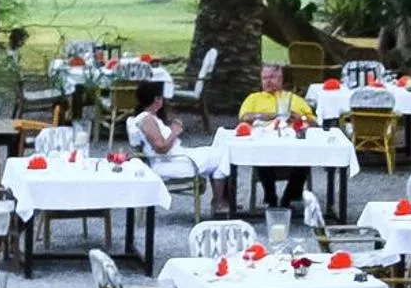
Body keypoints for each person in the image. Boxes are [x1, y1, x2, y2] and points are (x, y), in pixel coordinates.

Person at [128, 83, 232, 214]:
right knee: (222, 156)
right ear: (157, 99)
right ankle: (219, 202)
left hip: (174, 157)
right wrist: (174, 132)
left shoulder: (150, 117)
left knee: (220, 153)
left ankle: (220, 201)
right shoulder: (146, 119)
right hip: (170, 162)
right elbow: (161, 147)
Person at [235, 64, 315, 207]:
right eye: (264, 78)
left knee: (306, 154)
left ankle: (288, 197)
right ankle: (270, 196)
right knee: (261, 154)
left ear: (281, 78)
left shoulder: (293, 99)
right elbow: (244, 118)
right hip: (264, 141)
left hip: (291, 143)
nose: (268, 81)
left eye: (272, 77)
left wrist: (299, 118)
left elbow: (314, 123)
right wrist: (267, 116)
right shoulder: (254, 98)